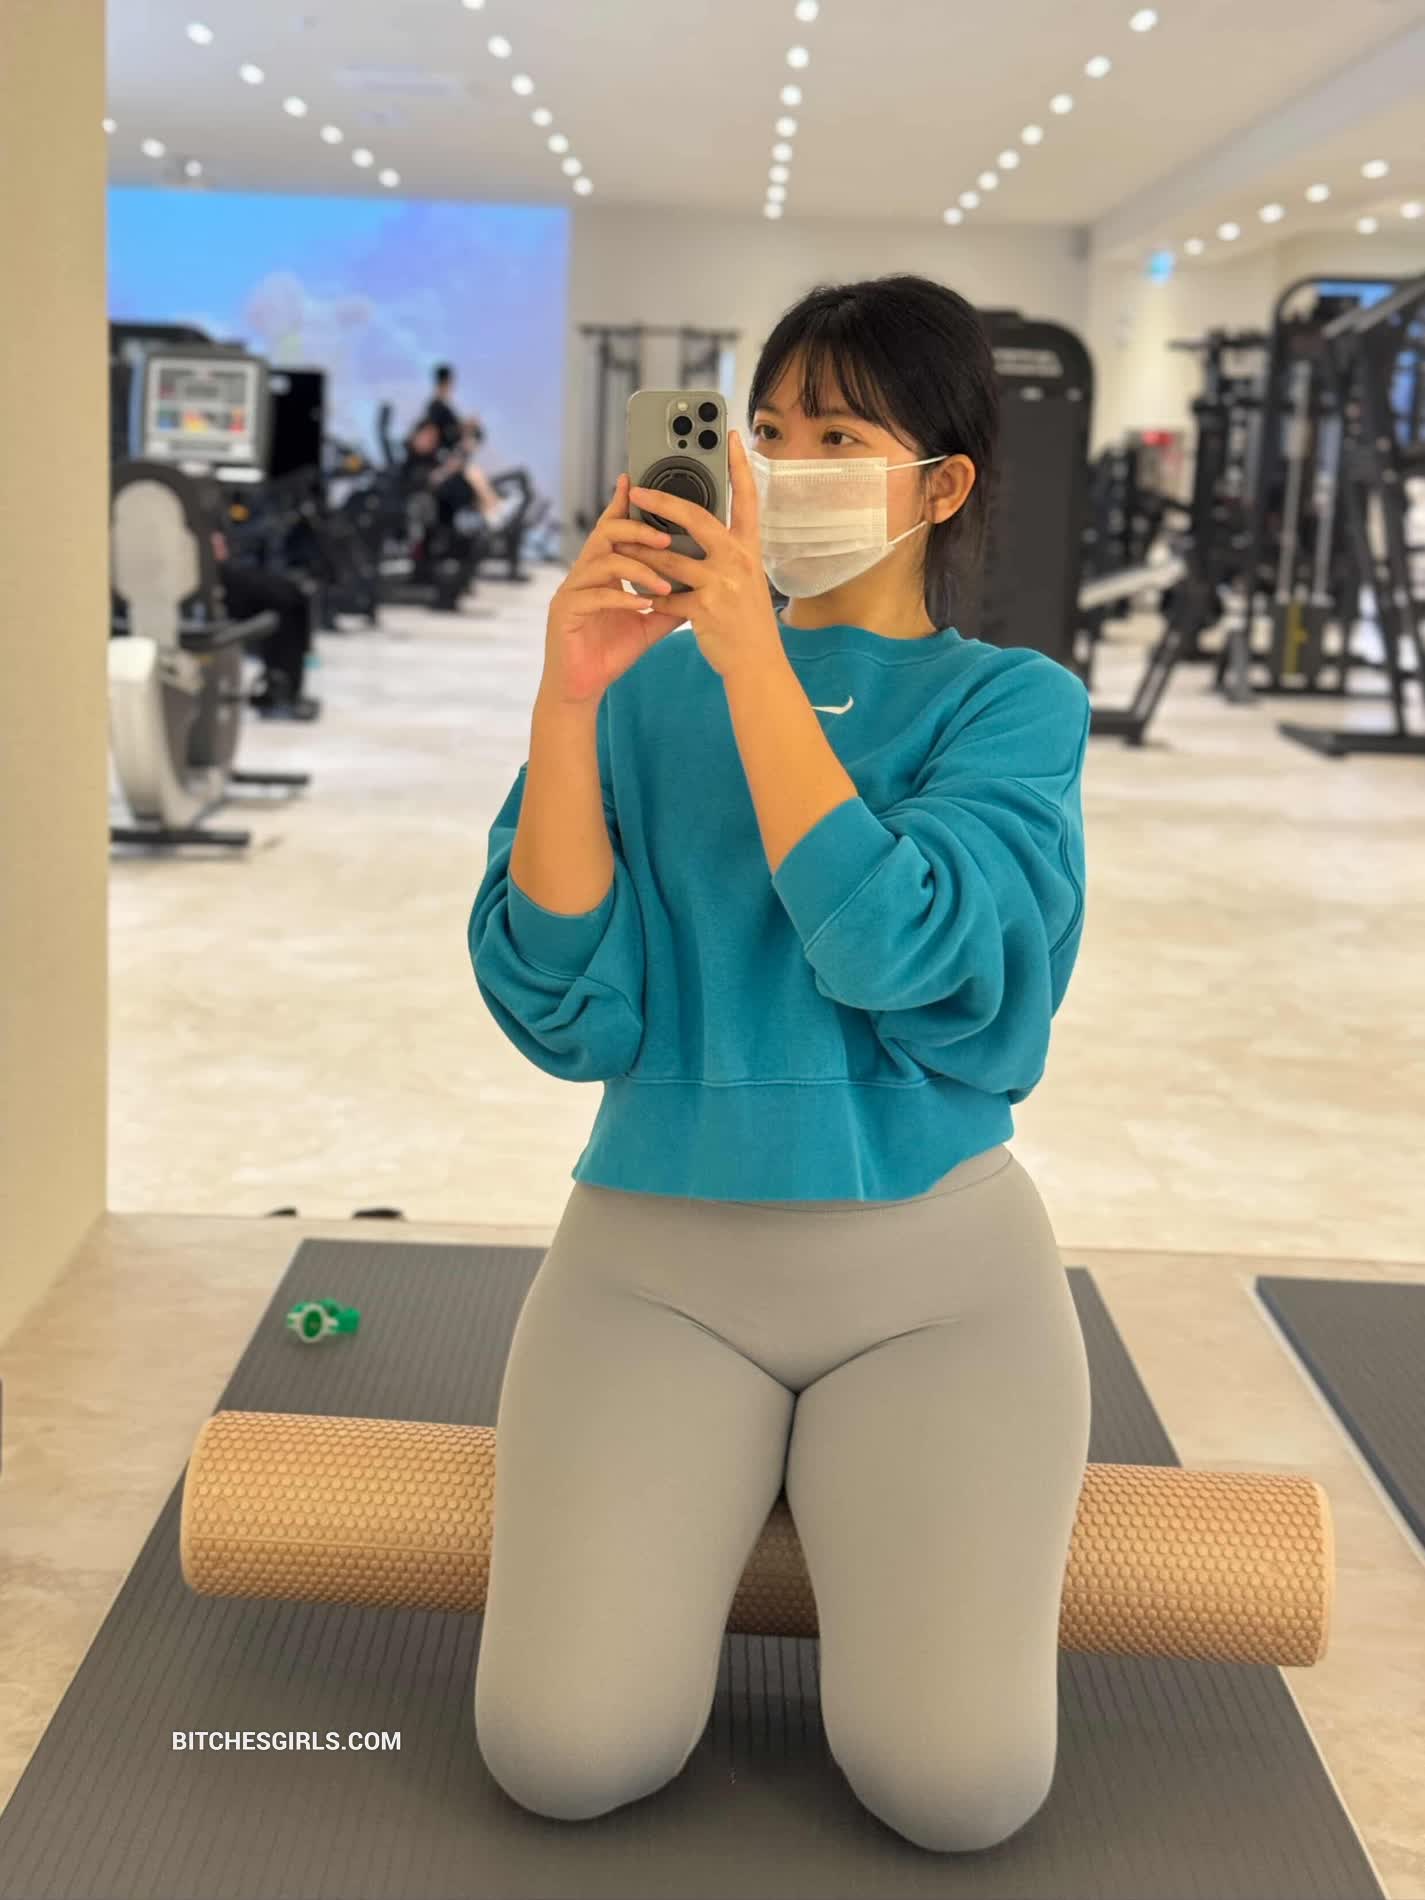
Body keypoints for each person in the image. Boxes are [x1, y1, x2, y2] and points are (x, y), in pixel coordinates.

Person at [467, 275, 1093, 1855]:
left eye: (837, 436)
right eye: (765, 430)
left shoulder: (1013, 705)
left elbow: (905, 952)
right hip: (650, 1268)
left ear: (939, 485)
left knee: (958, 1790)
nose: (784, 465)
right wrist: (568, 697)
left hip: (937, 1285)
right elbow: (564, 1004)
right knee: (561, 1751)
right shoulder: (641, 692)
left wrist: (753, 662)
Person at [210, 529, 321, 720]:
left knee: (294, 595)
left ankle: (284, 687)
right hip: (209, 574)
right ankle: (282, 689)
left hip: (216, 567)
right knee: (284, 601)